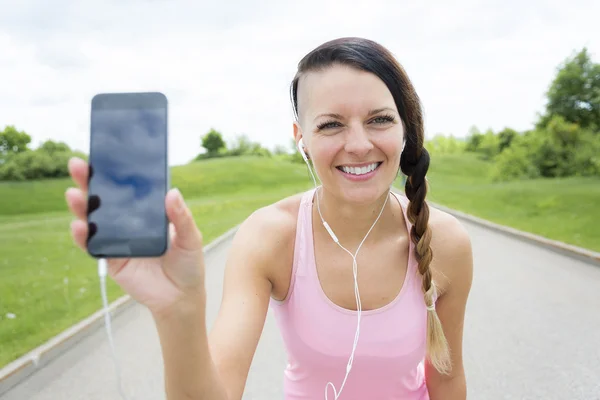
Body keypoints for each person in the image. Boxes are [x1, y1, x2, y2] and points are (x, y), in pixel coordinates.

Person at [65, 37, 473, 400]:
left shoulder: (446, 242)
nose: (359, 144)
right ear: (302, 140)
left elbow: (448, 383)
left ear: (405, 129)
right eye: (331, 125)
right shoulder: (270, 236)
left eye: (379, 119)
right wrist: (179, 309)